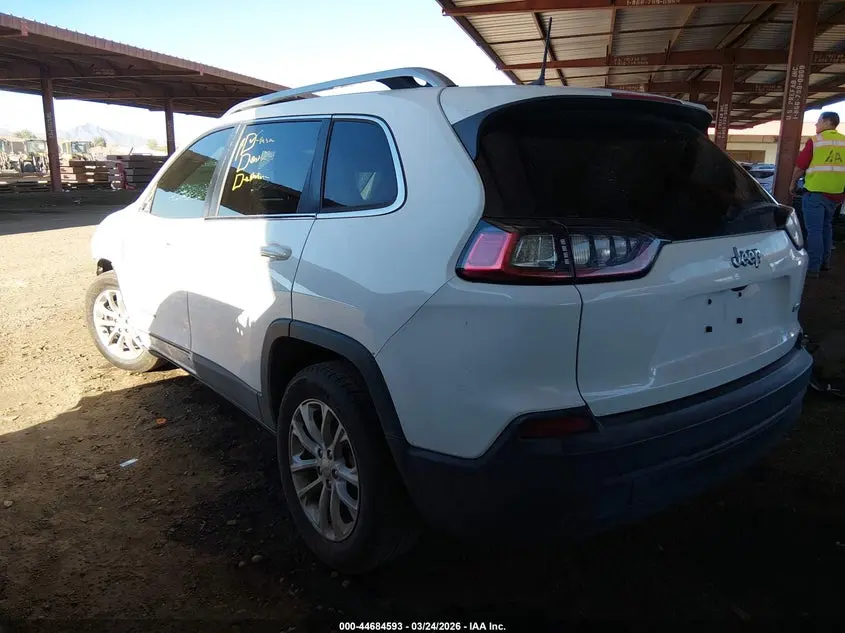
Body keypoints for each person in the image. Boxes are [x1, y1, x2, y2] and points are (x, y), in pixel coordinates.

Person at [790, 111, 845, 278]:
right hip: (836, 194)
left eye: (818, 121)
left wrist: (792, 183)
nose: (816, 125)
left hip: (816, 192)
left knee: (814, 230)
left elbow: (800, 166)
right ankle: (824, 263)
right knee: (826, 227)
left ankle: (813, 267)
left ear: (827, 122)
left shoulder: (816, 141)